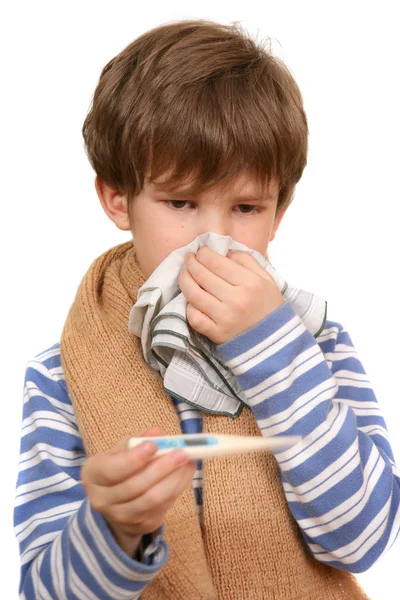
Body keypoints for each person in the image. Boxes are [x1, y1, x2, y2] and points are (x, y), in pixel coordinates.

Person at [14, 18, 400, 600]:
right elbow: (43, 590)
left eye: (246, 207)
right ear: (118, 199)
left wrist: (273, 349)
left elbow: (363, 537)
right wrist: (113, 531)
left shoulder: (313, 342)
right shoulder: (65, 374)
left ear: (280, 211)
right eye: (181, 203)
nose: (212, 240)